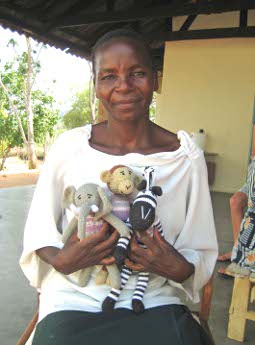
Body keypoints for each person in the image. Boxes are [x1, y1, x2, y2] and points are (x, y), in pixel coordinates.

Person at [19, 29, 218, 345]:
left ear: (154, 79)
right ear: (96, 84)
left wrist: (177, 267)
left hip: (154, 296)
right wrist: (61, 260)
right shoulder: (70, 147)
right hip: (76, 294)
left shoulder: (184, 156)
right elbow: (40, 230)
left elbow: (199, 247)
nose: (123, 86)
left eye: (137, 73)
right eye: (109, 76)